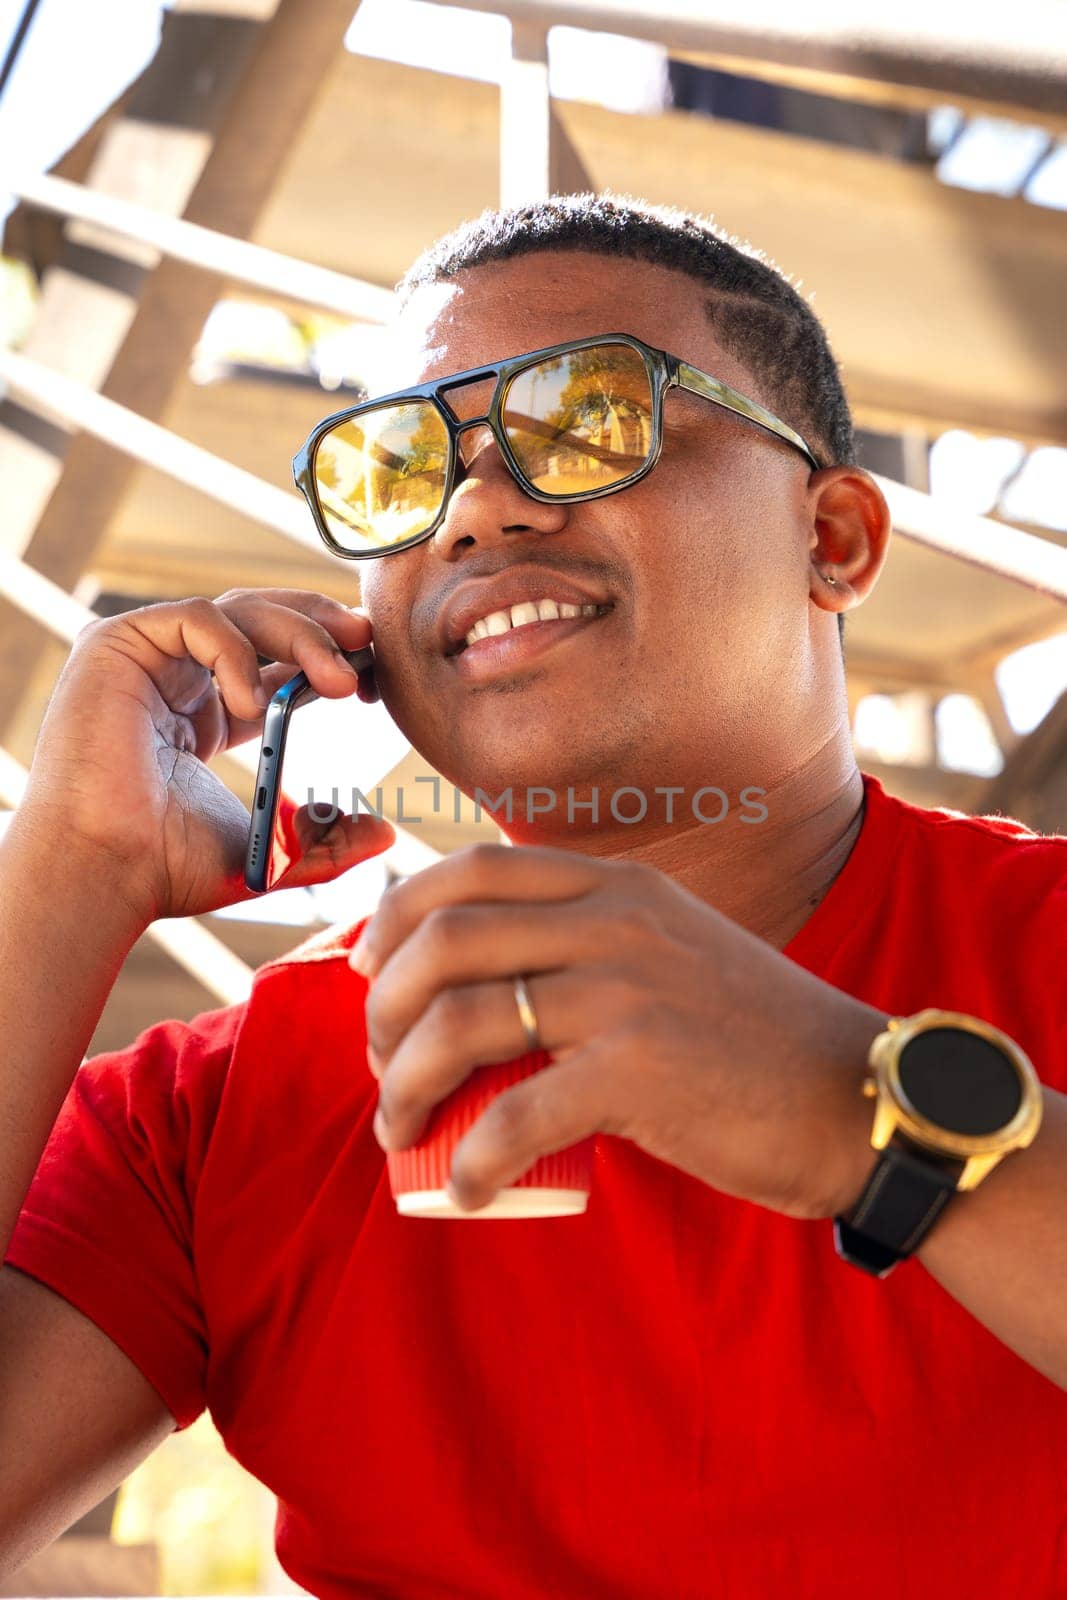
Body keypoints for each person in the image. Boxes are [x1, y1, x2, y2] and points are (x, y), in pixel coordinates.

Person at [0, 193, 1064, 1598]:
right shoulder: (217, 1114)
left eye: (586, 420)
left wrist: (852, 1108)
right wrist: (71, 861)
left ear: (835, 540)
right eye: (404, 470)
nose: (479, 504)